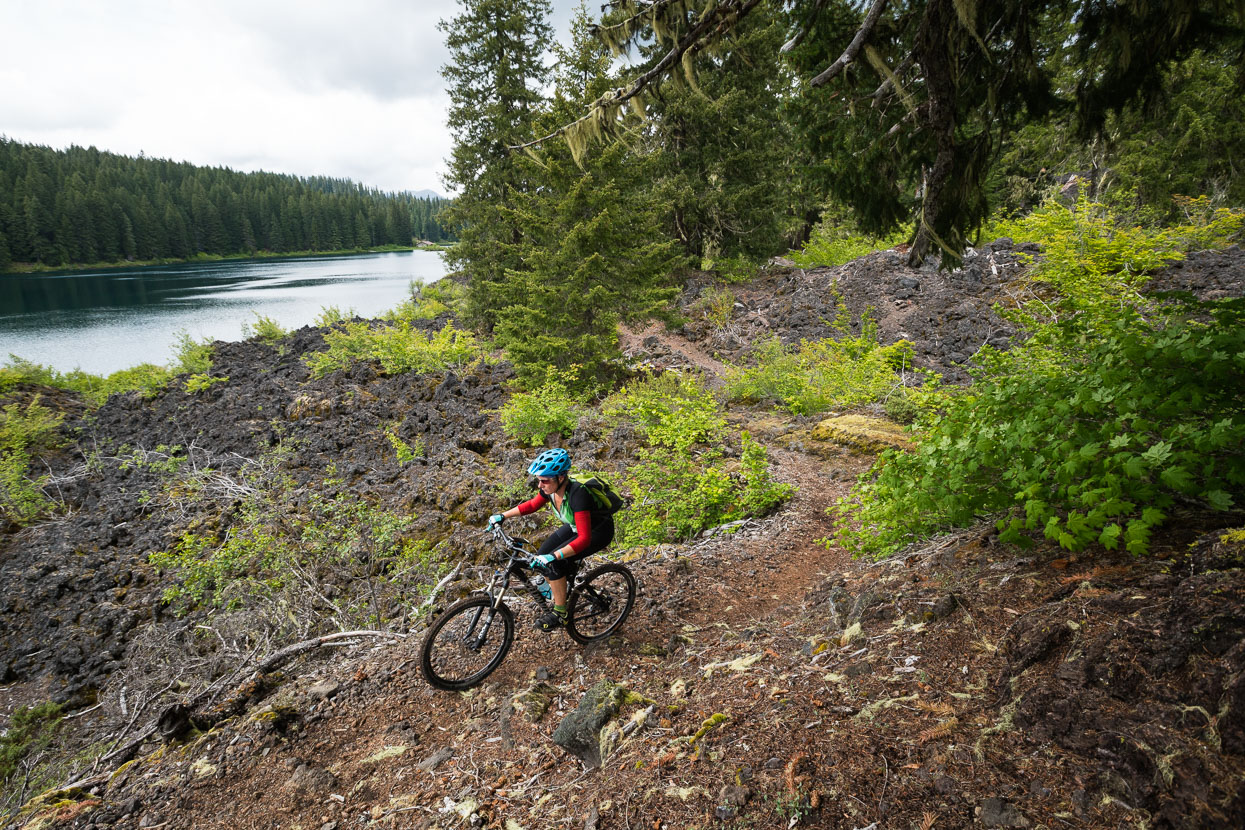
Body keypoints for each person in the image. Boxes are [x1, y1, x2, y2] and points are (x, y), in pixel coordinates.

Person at [488, 448, 615, 631]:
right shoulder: (551, 489)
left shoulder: (578, 494)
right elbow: (532, 505)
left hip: (597, 531)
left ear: (561, 477)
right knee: (542, 554)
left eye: (544, 481)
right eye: (539, 480)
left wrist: (555, 556)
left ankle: (561, 612)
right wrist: (502, 516)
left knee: (553, 563)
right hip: (576, 527)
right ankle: (563, 581)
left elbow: (585, 538)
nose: (540, 485)